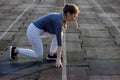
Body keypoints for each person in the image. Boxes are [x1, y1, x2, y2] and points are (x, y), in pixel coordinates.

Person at [9, 3, 80, 68]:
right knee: (38, 55)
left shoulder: (60, 17)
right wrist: (58, 59)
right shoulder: (58, 22)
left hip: (39, 30)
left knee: (60, 34)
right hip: (33, 32)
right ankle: (15, 50)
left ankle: (51, 55)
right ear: (68, 14)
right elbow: (59, 44)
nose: (74, 18)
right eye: (74, 16)